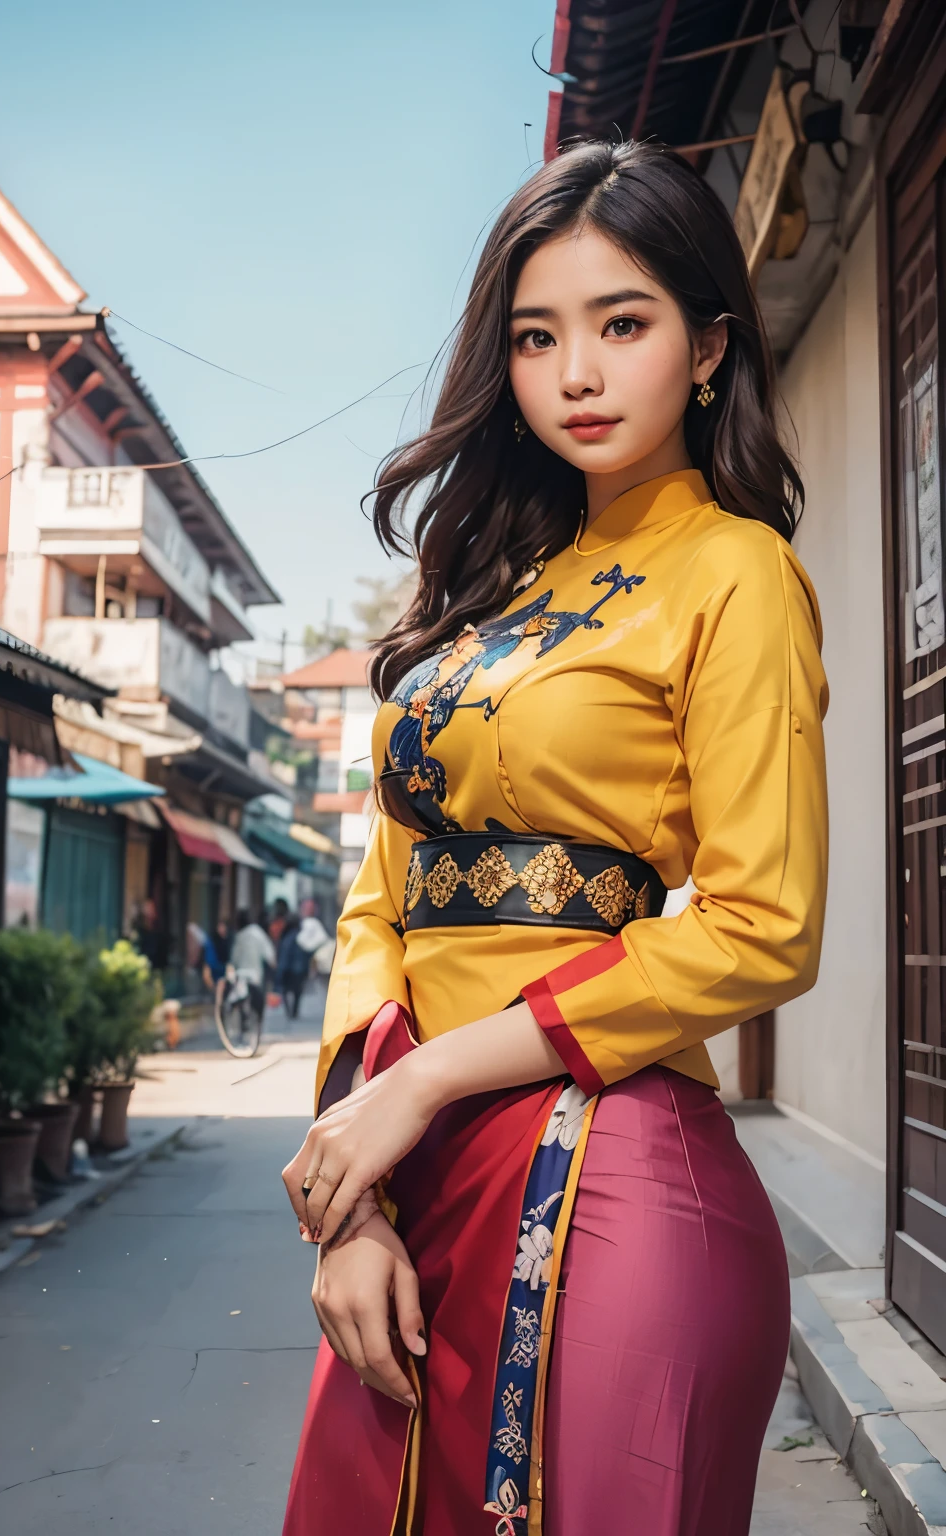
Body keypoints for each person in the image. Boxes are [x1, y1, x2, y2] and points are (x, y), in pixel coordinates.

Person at [280, 139, 828, 1536]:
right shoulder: (484, 600)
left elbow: (764, 926)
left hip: (617, 1185)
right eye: (536, 336)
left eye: (621, 323)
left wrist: (430, 1081)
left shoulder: (736, 574)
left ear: (708, 345)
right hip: (417, 1186)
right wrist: (353, 1199)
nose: (576, 372)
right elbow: (376, 909)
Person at [229, 906, 276, 1019]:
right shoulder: (258, 933)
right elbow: (269, 952)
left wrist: (233, 966)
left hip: (241, 973)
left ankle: (243, 1020)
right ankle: (258, 1019)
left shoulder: (239, 936)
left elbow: (234, 957)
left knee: (239, 995)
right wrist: (272, 963)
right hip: (255, 974)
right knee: (257, 998)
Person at [276, 910, 310, 1020]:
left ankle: (289, 1011)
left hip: (289, 968)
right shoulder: (302, 936)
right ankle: (294, 1011)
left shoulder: (287, 938)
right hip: (299, 969)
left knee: (286, 990)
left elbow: (285, 954)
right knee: (297, 992)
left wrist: (281, 970)